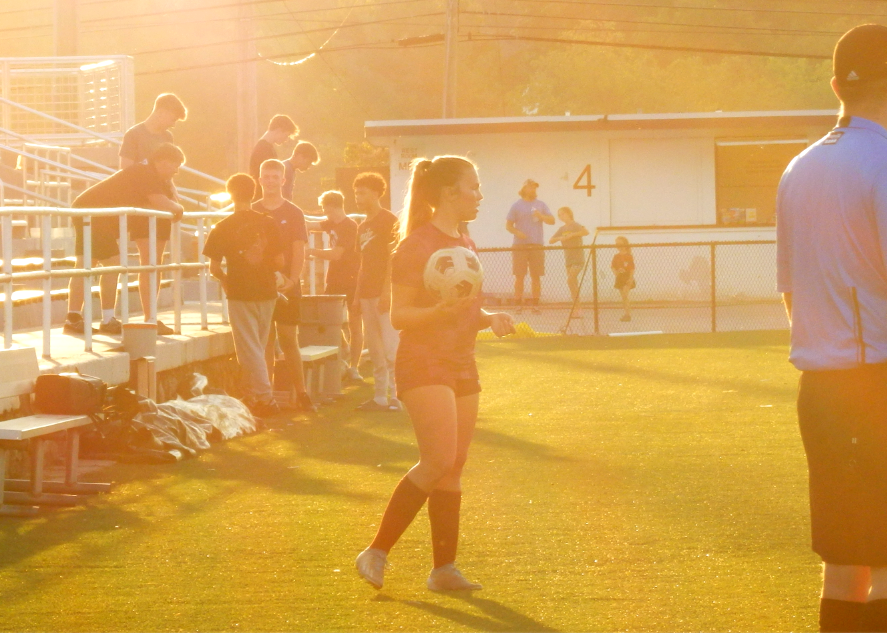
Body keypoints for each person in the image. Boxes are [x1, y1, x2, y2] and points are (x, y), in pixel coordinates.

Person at [355, 155, 515, 591]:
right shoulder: (415, 245)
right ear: (448, 193)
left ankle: (443, 570)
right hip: (423, 361)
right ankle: (376, 551)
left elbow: (464, 306)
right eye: (473, 187)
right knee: (438, 459)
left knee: (455, 465)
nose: (479, 196)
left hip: (462, 361)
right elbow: (400, 315)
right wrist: (438, 311)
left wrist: (489, 316)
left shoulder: (466, 242)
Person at [776, 24, 887, 633]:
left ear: (836, 83)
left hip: (821, 391)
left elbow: (790, 291)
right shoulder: (882, 161)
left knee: (846, 562)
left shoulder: (799, 166)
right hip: (876, 383)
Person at [64, 144, 185, 335]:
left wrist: (172, 195)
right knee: (112, 263)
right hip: (94, 213)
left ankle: (75, 318)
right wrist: (180, 210)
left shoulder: (152, 173)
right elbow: (164, 204)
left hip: (92, 212)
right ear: (162, 162)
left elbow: (168, 200)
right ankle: (105, 320)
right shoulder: (145, 172)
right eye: (175, 165)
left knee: (87, 263)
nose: (177, 171)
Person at [204, 173, 284, 418]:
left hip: (240, 292)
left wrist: (227, 282)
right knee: (258, 346)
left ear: (230, 193)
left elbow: (214, 268)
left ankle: (265, 398)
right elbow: (280, 260)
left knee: (249, 349)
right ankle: (256, 395)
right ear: (254, 192)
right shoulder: (269, 222)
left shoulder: (222, 226)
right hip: (267, 291)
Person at [254, 159, 314, 413]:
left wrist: (293, 279)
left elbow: (299, 249)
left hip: (288, 284)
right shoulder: (253, 210)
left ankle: (301, 393)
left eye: (274, 176)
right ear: (260, 179)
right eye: (265, 176)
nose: (269, 181)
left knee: (289, 339)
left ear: (283, 180)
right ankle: (266, 397)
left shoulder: (294, 212)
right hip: (260, 286)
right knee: (265, 342)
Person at [352, 172, 400, 411]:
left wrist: (387, 292)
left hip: (384, 294)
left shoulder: (389, 221)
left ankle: (398, 397)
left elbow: (394, 259)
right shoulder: (362, 226)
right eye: (356, 193)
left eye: (362, 193)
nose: (358, 197)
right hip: (367, 295)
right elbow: (362, 263)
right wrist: (357, 297)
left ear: (375, 193)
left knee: (392, 348)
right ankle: (380, 396)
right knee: (375, 349)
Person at [307, 190, 363, 383]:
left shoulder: (350, 226)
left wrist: (310, 251)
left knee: (355, 323)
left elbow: (336, 254)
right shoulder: (331, 223)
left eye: (325, 208)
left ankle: (354, 367)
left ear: (332, 206)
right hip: (334, 279)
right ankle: (345, 349)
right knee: (328, 318)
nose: (324, 212)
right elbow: (311, 225)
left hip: (352, 279)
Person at [505, 178, 554, 314]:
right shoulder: (516, 206)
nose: (533, 190)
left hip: (537, 245)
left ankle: (535, 305)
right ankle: (518, 304)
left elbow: (552, 220)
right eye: (530, 187)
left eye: (535, 188)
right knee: (519, 276)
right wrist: (518, 232)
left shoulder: (541, 204)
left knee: (536, 276)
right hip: (520, 246)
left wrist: (541, 216)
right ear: (524, 189)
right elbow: (508, 225)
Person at [119, 93, 187, 169]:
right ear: (161, 113)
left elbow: (168, 172)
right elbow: (125, 172)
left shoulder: (168, 137)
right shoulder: (133, 135)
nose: (173, 125)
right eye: (173, 120)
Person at [548, 206, 589, 311]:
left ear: (568, 213)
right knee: (573, 284)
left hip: (578, 259)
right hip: (568, 259)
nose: (561, 216)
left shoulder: (575, 225)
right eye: (559, 215)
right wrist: (559, 238)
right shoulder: (562, 229)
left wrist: (572, 235)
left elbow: (585, 232)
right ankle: (577, 307)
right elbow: (551, 240)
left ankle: (577, 307)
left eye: (562, 213)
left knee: (570, 280)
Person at [249, 115, 298, 197]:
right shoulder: (264, 149)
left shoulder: (267, 148)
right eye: (286, 135)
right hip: (263, 198)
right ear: (279, 130)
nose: (286, 140)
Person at [611, 236, 635, 322]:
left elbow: (632, 268)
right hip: (620, 277)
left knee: (625, 295)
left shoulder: (628, 256)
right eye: (617, 244)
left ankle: (628, 314)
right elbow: (613, 266)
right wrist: (615, 272)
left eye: (620, 244)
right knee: (623, 296)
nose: (619, 246)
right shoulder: (616, 256)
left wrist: (630, 278)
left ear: (625, 245)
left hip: (627, 277)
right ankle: (626, 313)